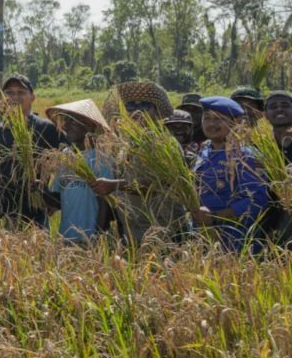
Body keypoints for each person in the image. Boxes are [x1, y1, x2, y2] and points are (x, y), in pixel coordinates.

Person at [91, 80, 189, 245]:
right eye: (130, 106)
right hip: (134, 230)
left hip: (164, 230)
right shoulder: (126, 146)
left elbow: (158, 183)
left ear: (157, 112)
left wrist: (114, 185)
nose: (136, 110)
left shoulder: (164, 143)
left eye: (144, 105)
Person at [188, 96, 270, 252]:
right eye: (207, 118)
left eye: (219, 119)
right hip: (202, 238)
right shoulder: (204, 153)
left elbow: (255, 200)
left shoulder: (246, 156)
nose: (212, 124)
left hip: (236, 240)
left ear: (235, 122)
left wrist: (215, 216)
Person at [0, 74, 64, 226]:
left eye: (21, 92)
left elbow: (70, 159)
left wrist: (53, 197)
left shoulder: (46, 129)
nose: (15, 97)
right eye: (9, 93)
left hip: (36, 214)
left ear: (32, 97)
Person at [44, 100, 114, 244]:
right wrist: (41, 190)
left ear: (89, 125)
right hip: (66, 237)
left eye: (72, 121)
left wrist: (97, 239)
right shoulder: (64, 156)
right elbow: (58, 201)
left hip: (91, 238)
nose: (65, 126)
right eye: (65, 120)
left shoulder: (102, 158)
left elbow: (105, 204)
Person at [264, 90, 292, 163]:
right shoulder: (261, 146)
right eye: (273, 107)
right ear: (265, 115)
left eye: (285, 106)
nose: (279, 109)